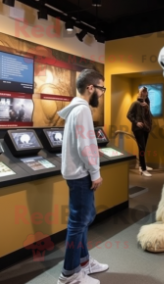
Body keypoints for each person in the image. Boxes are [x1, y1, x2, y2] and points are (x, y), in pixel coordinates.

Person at [57, 69, 108, 284]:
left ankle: (84, 262)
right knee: (78, 223)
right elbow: (86, 146)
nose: (103, 93)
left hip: (76, 174)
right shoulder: (83, 110)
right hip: (81, 175)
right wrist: (95, 172)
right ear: (91, 88)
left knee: (84, 219)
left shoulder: (75, 110)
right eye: (102, 88)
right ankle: (69, 274)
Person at [127, 86, 153, 176]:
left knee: (143, 148)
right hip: (138, 129)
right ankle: (143, 169)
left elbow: (148, 116)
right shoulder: (135, 103)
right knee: (141, 148)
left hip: (146, 128)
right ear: (139, 92)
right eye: (143, 91)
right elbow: (129, 115)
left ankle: (142, 165)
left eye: (145, 92)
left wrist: (147, 108)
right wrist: (136, 122)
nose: (144, 93)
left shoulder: (147, 103)